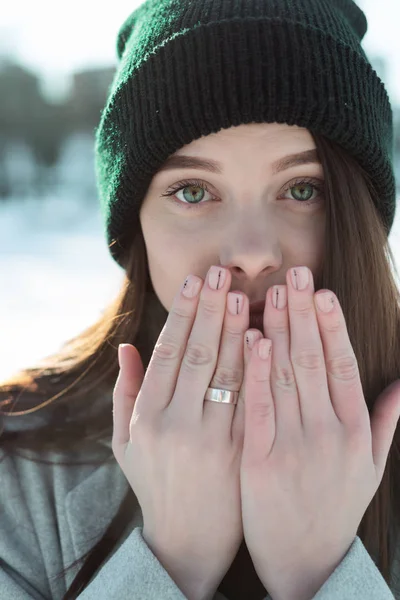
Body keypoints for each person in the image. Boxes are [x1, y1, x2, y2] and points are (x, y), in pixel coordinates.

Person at [1, 0, 400, 598]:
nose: (250, 253)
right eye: (192, 190)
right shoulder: (19, 470)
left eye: (301, 188)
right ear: (136, 224)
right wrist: (173, 560)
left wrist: (320, 577)